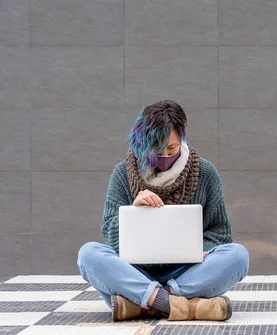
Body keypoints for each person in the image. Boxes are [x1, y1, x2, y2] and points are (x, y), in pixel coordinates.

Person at [77, 100, 249, 322]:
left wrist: (201, 250)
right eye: (157, 149)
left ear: (182, 140)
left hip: (187, 273)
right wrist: (134, 210)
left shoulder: (205, 173)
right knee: (88, 254)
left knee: (237, 256)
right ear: (143, 142)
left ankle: (144, 304)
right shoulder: (122, 173)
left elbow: (220, 232)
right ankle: (183, 306)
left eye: (172, 148)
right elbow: (109, 232)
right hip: (135, 272)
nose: (165, 155)